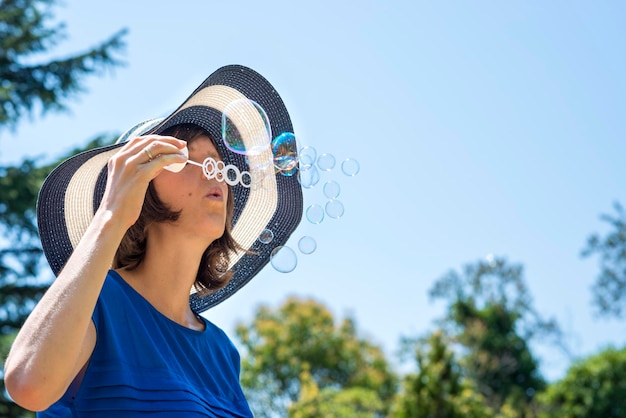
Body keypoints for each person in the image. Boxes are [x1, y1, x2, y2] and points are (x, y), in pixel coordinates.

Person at [4, 65, 303, 416]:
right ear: (141, 184)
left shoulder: (222, 352)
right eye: (191, 157)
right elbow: (27, 385)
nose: (217, 173)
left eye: (221, 164)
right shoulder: (99, 303)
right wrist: (112, 213)